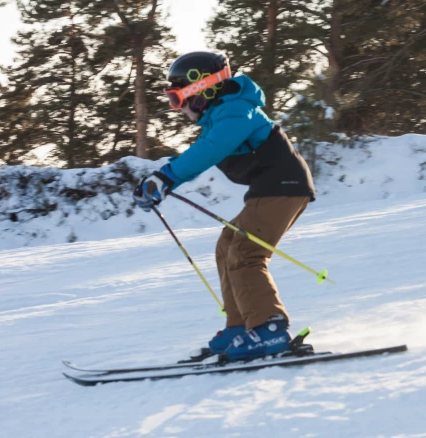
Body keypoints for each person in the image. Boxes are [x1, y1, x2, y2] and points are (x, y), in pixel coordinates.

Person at [132, 51, 315, 360]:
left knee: (246, 253)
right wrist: (165, 180)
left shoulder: (237, 111)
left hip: (283, 187)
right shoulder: (225, 115)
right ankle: (241, 326)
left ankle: (269, 329)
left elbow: (210, 150)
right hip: (271, 188)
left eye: (177, 99)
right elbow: (204, 150)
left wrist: (166, 176)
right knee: (228, 244)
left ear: (201, 93)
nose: (176, 108)